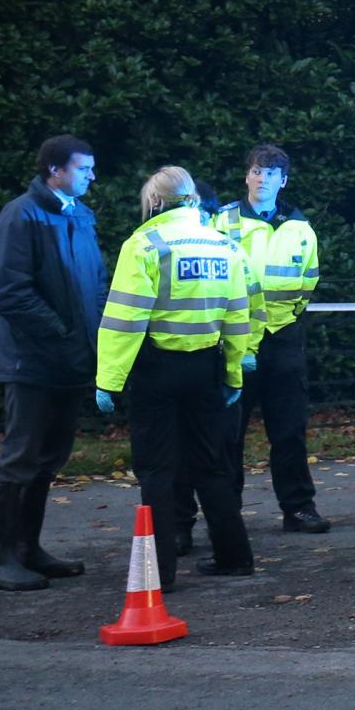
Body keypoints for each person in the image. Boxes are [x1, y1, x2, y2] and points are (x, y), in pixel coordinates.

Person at [96, 166, 261, 591]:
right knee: (213, 466)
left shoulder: (145, 244)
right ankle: (235, 556)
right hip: (207, 368)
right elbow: (237, 316)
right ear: (192, 200)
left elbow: (125, 318)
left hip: (157, 370)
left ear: (154, 202)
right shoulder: (226, 247)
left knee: (156, 469)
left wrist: (109, 379)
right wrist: (233, 374)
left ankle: (160, 572)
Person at [0, 135, 105, 592]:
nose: (92, 176)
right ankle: (0, 558)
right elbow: (7, 290)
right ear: (55, 170)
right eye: (84, 168)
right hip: (31, 363)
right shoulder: (21, 215)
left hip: (68, 362)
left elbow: (94, 285)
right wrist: (62, 332)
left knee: (48, 458)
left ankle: (27, 549)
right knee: (20, 458)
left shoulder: (80, 217)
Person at [200, 143, 326, 537]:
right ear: (247, 176)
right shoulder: (222, 223)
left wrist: (284, 320)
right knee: (227, 434)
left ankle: (299, 508)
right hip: (234, 340)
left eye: (271, 173)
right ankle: (226, 514)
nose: (262, 178)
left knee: (289, 429)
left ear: (283, 181)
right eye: (257, 171)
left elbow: (309, 282)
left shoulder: (301, 229)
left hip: (283, 336)